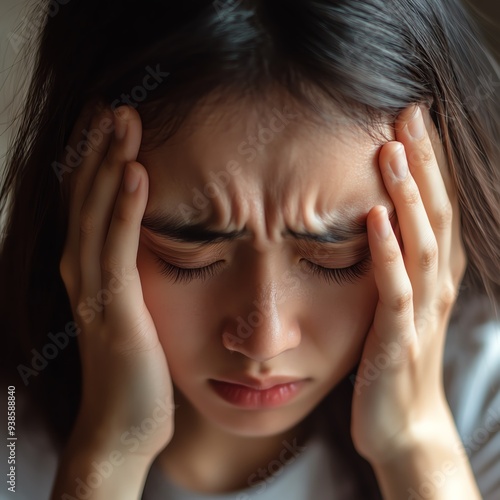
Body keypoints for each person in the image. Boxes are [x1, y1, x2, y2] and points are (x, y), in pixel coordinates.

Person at [1, 0, 499, 498]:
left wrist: (414, 443)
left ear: (435, 214)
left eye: (338, 257)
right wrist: (107, 455)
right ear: (83, 199)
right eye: (189, 255)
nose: (264, 339)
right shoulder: (12, 435)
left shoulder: (485, 405)